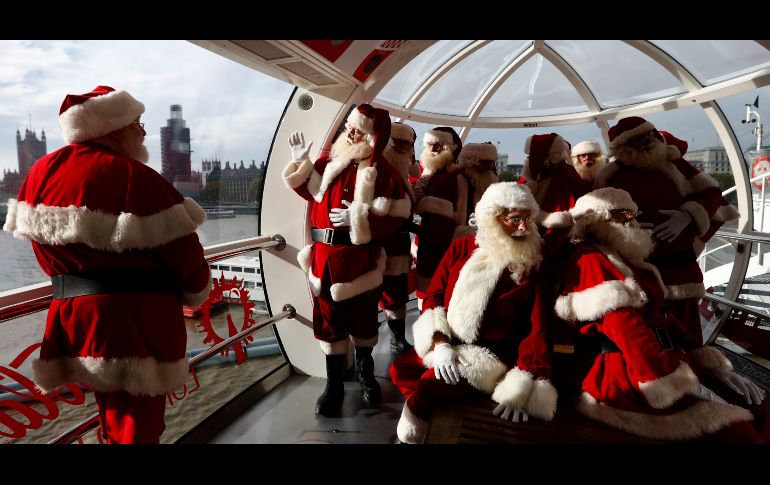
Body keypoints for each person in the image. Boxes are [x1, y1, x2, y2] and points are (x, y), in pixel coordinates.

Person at [3, 85, 212, 444]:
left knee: (111, 417)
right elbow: (186, 256)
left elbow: (42, 252)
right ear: (114, 127)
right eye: (137, 123)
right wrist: (197, 290)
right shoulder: (135, 176)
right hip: (134, 323)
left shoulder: (38, 174)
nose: (142, 131)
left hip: (74, 318)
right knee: (138, 426)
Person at [555, 187, 767, 442]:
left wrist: (711, 366)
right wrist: (677, 382)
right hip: (628, 374)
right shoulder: (591, 260)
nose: (633, 221)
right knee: (739, 434)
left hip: (664, 361)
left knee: (759, 407)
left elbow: (663, 319)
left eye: (633, 214)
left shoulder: (621, 258)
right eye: (624, 215)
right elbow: (625, 331)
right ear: (598, 220)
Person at [391, 182, 557, 444]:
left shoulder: (531, 263)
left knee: (427, 388)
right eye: (515, 219)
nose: (524, 227)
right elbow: (433, 295)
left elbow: (537, 327)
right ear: (492, 218)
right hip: (450, 342)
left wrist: (523, 384)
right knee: (399, 370)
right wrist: (440, 342)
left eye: (527, 218)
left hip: (492, 355)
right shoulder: (461, 247)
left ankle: (409, 438)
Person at [282, 104, 407, 416]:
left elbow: (399, 214)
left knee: (364, 318)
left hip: (359, 260)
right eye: (350, 127)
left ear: (374, 136)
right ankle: (333, 384)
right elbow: (312, 192)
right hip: (325, 259)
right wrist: (301, 162)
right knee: (328, 320)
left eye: (359, 130)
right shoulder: (330, 162)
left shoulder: (383, 172)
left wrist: (357, 217)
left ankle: (365, 375)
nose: (351, 133)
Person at [595, 116, 739, 344]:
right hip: (635, 269)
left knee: (687, 335)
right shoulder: (609, 174)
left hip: (678, 267)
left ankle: (694, 375)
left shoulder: (675, 164)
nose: (647, 141)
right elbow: (595, 213)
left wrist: (687, 215)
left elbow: (711, 192)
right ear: (622, 147)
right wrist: (621, 223)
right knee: (642, 335)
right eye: (638, 139)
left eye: (649, 135)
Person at [411, 127, 463, 299]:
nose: (432, 150)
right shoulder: (428, 173)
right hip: (428, 245)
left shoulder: (451, 178)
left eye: (438, 146)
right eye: (430, 145)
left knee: (434, 295)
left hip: (439, 248)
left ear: (449, 148)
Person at [380, 121, 418, 353]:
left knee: (396, 290)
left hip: (398, 242)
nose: (403, 148)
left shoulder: (402, 174)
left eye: (407, 144)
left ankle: (397, 338)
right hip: (378, 242)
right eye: (398, 143)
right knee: (381, 290)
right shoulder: (377, 171)